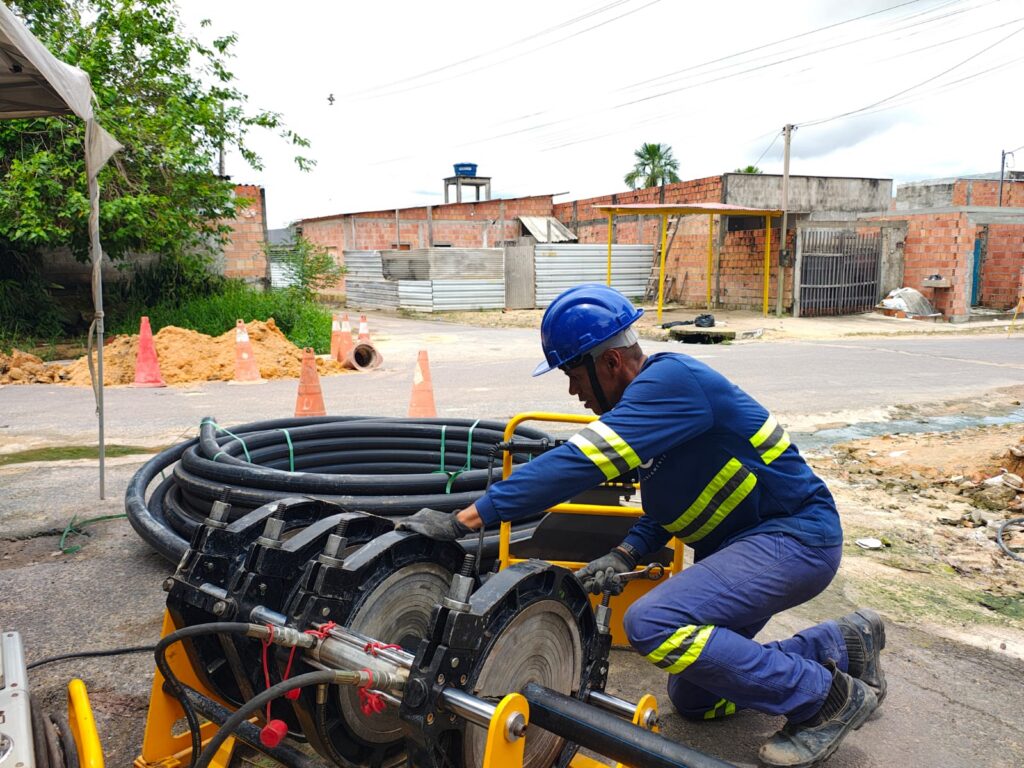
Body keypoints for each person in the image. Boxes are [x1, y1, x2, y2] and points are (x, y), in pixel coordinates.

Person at [397, 284, 884, 767]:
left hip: (796, 539)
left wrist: (465, 519)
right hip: (754, 546)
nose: (573, 392)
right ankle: (843, 643)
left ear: (610, 363)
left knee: (654, 622)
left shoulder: (672, 383)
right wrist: (624, 553)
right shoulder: (653, 408)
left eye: (574, 376)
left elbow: (579, 462)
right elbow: (671, 504)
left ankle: (827, 701)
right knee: (696, 699)